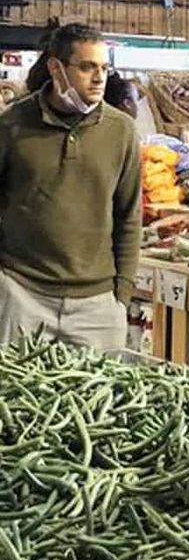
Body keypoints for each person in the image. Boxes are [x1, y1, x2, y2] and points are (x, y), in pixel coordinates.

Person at [0, 23, 141, 349]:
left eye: (104, 67)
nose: (99, 77)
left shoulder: (122, 131)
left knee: (99, 397)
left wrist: (123, 294)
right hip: (21, 295)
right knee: (18, 398)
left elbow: (129, 216)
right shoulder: (12, 125)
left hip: (97, 306)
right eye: (87, 67)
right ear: (55, 68)